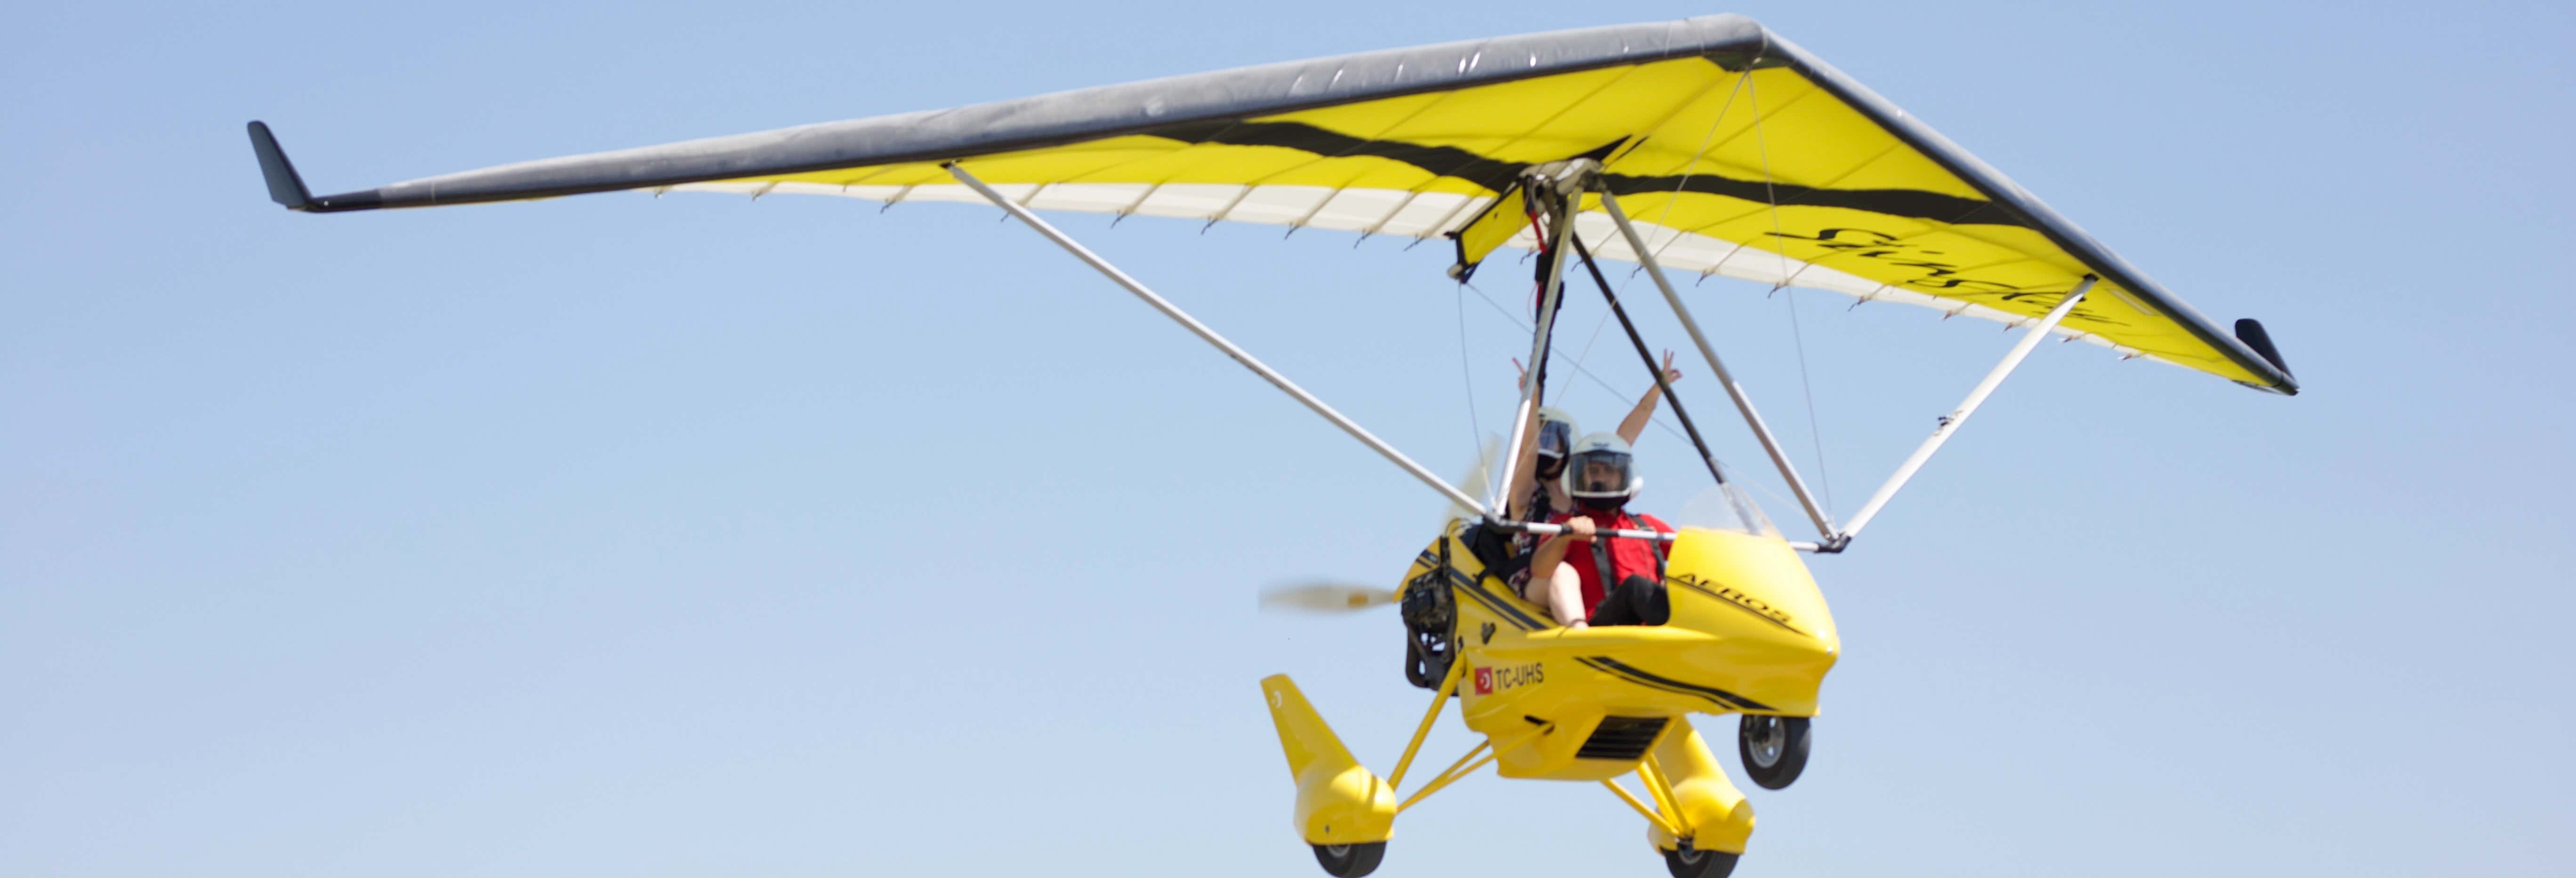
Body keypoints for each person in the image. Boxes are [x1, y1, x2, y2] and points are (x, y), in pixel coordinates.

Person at [1504, 350, 1685, 524]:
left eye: (1550, 439)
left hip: (1580, 555)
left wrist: (1657, 389)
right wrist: (1532, 395)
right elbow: (1528, 453)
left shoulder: (1583, 489)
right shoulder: (1526, 493)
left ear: (1566, 442)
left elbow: (1623, 440)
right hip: (1536, 556)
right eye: (1539, 438)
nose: (1542, 445)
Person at [1522, 433, 1675, 629]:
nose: (1601, 478)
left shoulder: (1646, 526)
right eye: (1593, 471)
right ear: (1579, 477)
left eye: (1609, 471)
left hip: (1649, 630)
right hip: (1601, 628)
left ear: (1624, 476)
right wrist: (1565, 537)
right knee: (1636, 587)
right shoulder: (1566, 523)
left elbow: (1689, 556)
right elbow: (1540, 570)